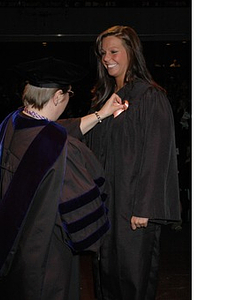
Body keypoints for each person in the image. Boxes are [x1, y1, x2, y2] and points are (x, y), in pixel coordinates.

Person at [0, 57, 127, 300]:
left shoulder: (10, 124)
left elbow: (52, 130)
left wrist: (100, 114)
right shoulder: (62, 148)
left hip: (10, 250)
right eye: (68, 95)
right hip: (47, 255)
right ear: (57, 97)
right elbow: (84, 214)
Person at [85, 25, 181, 300]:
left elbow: (157, 155)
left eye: (114, 51)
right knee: (105, 275)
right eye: (103, 53)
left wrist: (145, 207)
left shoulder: (149, 97)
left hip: (133, 209)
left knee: (132, 280)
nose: (106, 58)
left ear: (131, 52)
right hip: (106, 207)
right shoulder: (102, 100)